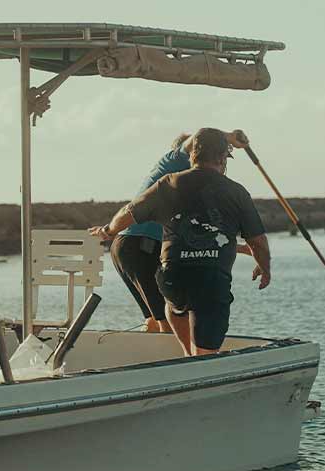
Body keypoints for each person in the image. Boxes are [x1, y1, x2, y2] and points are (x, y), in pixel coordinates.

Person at [90, 128, 271, 356]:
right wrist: (229, 136)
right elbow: (258, 240)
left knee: (168, 309)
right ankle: (188, 364)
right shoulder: (180, 166)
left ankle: (185, 356)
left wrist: (108, 231)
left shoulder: (175, 184)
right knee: (196, 339)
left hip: (161, 264)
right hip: (142, 247)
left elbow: (198, 233)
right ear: (219, 157)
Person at [110, 134, 192, 333]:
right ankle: (178, 361)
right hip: (139, 247)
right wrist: (229, 137)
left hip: (132, 247)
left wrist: (244, 248)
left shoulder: (183, 182)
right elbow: (197, 139)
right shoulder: (176, 160)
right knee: (168, 320)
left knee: (154, 320)